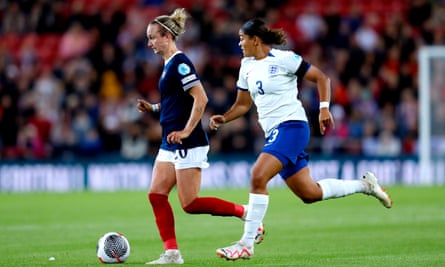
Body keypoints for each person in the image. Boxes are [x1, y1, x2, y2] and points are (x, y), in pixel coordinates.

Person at [209, 18, 392, 261]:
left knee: (258, 175)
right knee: (309, 194)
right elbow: (243, 104)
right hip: (274, 132)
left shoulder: (284, 59)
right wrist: (225, 118)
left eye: (242, 38)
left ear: (255, 40)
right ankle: (365, 186)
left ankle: (246, 243)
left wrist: (324, 108)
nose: (239, 42)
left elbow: (321, 77)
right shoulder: (246, 66)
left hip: (292, 126)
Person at [137, 9, 264, 265]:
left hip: (188, 140)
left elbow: (201, 98)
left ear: (167, 36)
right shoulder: (167, 65)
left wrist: (185, 131)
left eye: (152, 38)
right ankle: (172, 253)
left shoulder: (180, 63)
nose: (149, 43)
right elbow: (176, 103)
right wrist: (153, 109)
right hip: (169, 140)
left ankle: (247, 213)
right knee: (156, 195)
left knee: (190, 203)